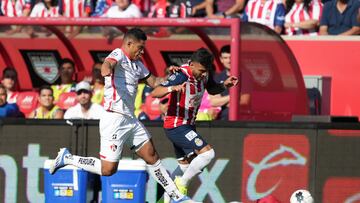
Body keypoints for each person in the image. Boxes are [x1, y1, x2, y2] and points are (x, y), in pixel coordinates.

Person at [48, 28, 199, 203]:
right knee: (108, 170)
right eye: (140, 48)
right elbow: (108, 63)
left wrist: (171, 76)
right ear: (129, 43)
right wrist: (106, 69)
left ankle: (177, 196)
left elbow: (155, 82)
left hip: (130, 119)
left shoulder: (138, 64)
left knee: (151, 155)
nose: (142, 52)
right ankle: (67, 158)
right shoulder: (118, 54)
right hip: (114, 119)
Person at [150, 48, 238, 202]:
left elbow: (211, 89)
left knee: (184, 166)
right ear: (191, 64)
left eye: (206, 71)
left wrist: (225, 85)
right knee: (207, 154)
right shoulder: (181, 74)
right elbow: (155, 92)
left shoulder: (205, 73)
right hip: (176, 125)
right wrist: (172, 88)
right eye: (201, 70)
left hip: (188, 126)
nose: (203, 74)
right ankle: (182, 184)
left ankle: (163, 200)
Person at [210, 45, 251, 120]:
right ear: (221, 59)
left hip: (240, 121)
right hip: (220, 121)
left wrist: (223, 102)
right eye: (225, 58)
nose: (229, 61)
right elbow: (213, 102)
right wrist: (235, 96)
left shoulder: (245, 76)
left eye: (231, 57)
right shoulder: (217, 77)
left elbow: (245, 101)